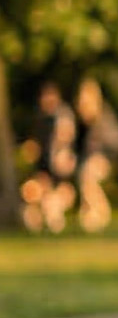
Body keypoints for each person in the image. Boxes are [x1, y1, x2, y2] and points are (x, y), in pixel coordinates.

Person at [19, 81, 79, 235]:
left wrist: (62, 150)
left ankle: (54, 223)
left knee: (53, 200)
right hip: (45, 174)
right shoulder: (41, 120)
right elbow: (36, 149)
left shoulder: (64, 116)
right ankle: (37, 225)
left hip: (62, 179)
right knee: (30, 192)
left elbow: (66, 136)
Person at [72, 77, 118, 233]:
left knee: (87, 176)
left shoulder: (103, 118)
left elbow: (111, 144)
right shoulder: (84, 123)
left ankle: (101, 212)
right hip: (91, 160)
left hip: (106, 158)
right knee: (85, 178)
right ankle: (91, 215)